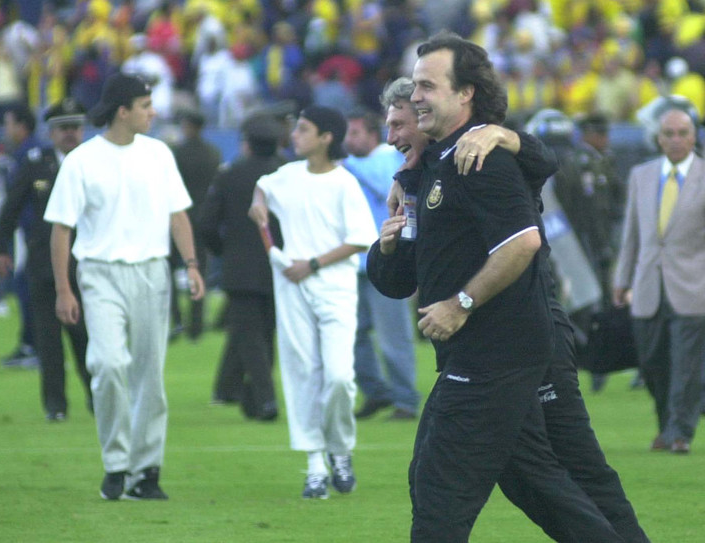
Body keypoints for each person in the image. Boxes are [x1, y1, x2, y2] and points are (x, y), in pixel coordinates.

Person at [368, 32, 628, 542]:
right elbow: (398, 280)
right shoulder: (426, 178)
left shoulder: (480, 152)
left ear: (463, 93)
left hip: (512, 341)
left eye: (421, 94)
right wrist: (388, 245)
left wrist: (460, 303)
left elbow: (526, 232)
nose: (396, 131)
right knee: (537, 482)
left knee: (443, 488)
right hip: (484, 347)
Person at [44, 72, 205, 501]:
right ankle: (116, 463)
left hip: (152, 273)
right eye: (145, 106)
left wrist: (191, 264)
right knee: (109, 365)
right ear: (122, 111)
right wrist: (64, 289)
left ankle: (145, 472)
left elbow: (178, 215)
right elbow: (61, 229)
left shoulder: (158, 154)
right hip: (99, 273)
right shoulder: (82, 160)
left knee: (150, 376)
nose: (153, 113)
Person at [248, 106, 377, 499]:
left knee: (338, 376)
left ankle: (339, 449)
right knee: (302, 372)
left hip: (334, 286)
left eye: (304, 130)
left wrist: (314, 263)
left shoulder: (344, 183)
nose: (295, 135)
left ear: (325, 138)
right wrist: (259, 205)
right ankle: (315, 465)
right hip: (292, 287)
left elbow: (360, 239)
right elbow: (263, 187)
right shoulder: (286, 176)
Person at [613, 108, 705, 455]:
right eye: (669, 133)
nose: (676, 139)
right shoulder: (642, 175)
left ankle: (680, 432)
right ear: (658, 137)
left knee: (687, 364)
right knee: (652, 363)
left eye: (683, 132)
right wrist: (622, 278)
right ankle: (666, 424)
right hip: (648, 284)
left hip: (695, 287)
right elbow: (632, 234)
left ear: (694, 136)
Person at [0, 98, 91, 422]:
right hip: (43, 266)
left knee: (87, 339)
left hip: (87, 266)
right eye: (63, 128)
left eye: (75, 127)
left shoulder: (94, 162)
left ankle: (98, 399)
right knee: (48, 342)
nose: (70, 134)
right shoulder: (36, 163)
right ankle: (56, 407)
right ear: (51, 132)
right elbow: (10, 208)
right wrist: (1, 248)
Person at [199, 114, 285, 420]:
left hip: (240, 269)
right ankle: (255, 399)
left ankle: (265, 400)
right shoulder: (288, 175)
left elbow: (207, 224)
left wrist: (224, 251)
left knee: (249, 337)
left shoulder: (229, 175)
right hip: (281, 267)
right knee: (268, 334)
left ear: (246, 144)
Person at [342, 107, 419, 421]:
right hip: (354, 262)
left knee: (393, 337)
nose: (349, 139)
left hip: (386, 262)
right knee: (353, 335)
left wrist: (339, 162)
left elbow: (379, 182)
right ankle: (377, 392)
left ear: (373, 134)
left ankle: (405, 401)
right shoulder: (352, 167)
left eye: (355, 133)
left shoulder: (388, 159)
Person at [554, 112, 624, 391]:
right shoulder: (572, 164)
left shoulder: (605, 161)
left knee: (602, 306)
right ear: (588, 134)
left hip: (600, 244)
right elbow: (569, 208)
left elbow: (616, 198)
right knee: (582, 308)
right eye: (601, 133)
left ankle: (597, 364)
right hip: (580, 245)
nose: (605, 139)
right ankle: (576, 362)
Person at [169, 108, 221, 341]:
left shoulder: (177, 153)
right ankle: (197, 325)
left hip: (178, 218)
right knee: (198, 270)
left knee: (169, 269)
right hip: (203, 218)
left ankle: (176, 320)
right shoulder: (213, 153)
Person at [0, 104, 40, 368]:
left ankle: (33, 346)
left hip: (33, 233)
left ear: (21, 126)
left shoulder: (30, 155)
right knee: (26, 286)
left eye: (9, 124)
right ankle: (31, 344)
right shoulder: (26, 153)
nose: (6, 130)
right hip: (30, 232)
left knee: (29, 288)